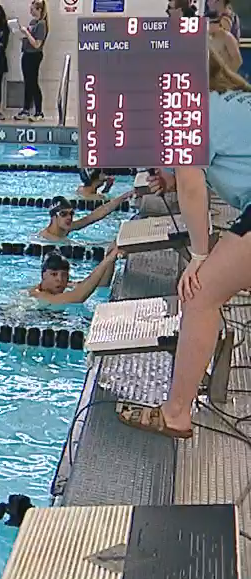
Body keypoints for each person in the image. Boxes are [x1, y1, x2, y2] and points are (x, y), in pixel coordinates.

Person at [118, 52, 251, 439]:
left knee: (200, 293)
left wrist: (199, 255)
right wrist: (175, 175)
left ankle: (176, 413)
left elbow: (194, 190)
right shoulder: (226, 98)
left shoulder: (186, 112)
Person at [28, 246, 121, 305]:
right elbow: (78, 297)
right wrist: (107, 260)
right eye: (54, 274)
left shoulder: (68, 285)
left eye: (64, 275)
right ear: (43, 275)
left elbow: (102, 285)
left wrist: (111, 257)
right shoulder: (38, 294)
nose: (60, 279)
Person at [35, 192, 134, 242]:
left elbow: (94, 215)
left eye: (71, 213)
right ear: (53, 217)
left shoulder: (67, 227)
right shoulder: (45, 238)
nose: (69, 217)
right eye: (63, 214)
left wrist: (123, 197)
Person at [15, 0, 49, 122]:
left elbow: (37, 44)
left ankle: (39, 111)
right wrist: (23, 36)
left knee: (33, 83)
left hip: (34, 56)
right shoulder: (33, 22)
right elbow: (29, 40)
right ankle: (26, 109)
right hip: (27, 54)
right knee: (27, 83)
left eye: (33, 9)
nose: (30, 10)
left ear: (39, 10)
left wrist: (27, 33)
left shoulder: (42, 24)